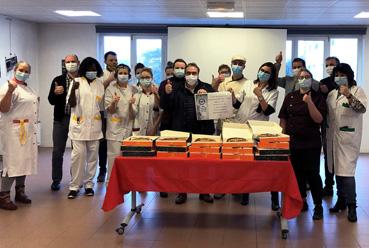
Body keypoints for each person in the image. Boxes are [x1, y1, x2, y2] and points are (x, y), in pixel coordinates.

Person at [161, 62, 215, 204]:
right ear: (185, 74)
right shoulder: (176, 88)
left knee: (203, 164)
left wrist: (207, 96)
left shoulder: (207, 87)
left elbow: (217, 108)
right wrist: (167, 94)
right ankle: (182, 192)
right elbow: (166, 107)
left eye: (194, 73)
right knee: (182, 164)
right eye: (188, 73)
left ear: (198, 73)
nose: (191, 75)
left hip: (203, 133)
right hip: (182, 131)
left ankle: (204, 192)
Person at [278, 68, 326, 220]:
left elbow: (318, 119)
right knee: (297, 174)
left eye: (307, 77)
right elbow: (283, 118)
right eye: (301, 77)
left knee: (313, 175)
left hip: (311, 142)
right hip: (293, 142)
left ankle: (318, 206)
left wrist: (309, 102)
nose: (304, 79)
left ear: (312, 79)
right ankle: (302, 201)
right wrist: (282, 138)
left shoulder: (318, 97)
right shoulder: (290, 96)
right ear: (297, 80)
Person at [230, 62, 279, 209]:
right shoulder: (249, 84)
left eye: (266, 72)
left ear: (271, 75)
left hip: (259, 130)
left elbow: (268, 111)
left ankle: (274, 198)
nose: (262, 73)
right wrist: (232, 96)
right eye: (261, 70)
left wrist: (260, 96)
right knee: (245, 163)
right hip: (242, 127)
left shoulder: (273, 91)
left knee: (268, 165)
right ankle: (245, 193)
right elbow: (237, 104)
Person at [326, 63, 367, 222]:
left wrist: (349, 95)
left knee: (347, 173)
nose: (339, 77)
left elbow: (361, 109)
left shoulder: (357, 90)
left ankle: (352, 206)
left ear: (349, 75)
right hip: (333, 138)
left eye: (342, 74)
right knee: (337, 169)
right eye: (337, 75)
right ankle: (341, 200)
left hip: (348, 139)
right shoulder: (331, 94)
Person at [0, 61, 38, 210]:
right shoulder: (8, 86)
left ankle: (20, 191)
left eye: (26, 70)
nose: (23, 72)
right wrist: (10, 91)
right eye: (20, 70)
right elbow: (3, 108)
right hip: (13, 132)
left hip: (26, 130)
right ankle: (3, 196)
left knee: (24, 161)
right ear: (15, 70)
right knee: (13, 163)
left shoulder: (27, 88)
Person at [66, 57, 105, 199]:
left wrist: (103, 128)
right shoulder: (76, 82)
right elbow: (70, 104)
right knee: (78, 157)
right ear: (83, 70)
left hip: (95, 126)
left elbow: (101, 107)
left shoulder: (100, 84)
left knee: (93, 157)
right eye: (89, 69)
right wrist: (73, 91)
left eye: (94, 70)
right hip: (79, 125)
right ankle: (74, 186)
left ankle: (89, 185)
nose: (91, 72)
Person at [48, 54, 80, 191]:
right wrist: (56, 93)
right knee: (57, 151)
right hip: (61, 120)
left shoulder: (83, 80)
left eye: (73, 61)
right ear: (64, 64)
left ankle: (76, 180)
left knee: (77, 152)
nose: (71, 64)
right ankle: (56, 180)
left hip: (78, 120)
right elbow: (51, 101)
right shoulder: (58, 80)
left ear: (78, 63)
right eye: (68, 62)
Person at [105, 64, 137, 184]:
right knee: (113, 158)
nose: (123, 75)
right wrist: (113, 102)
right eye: (120, 73)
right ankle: (111, 184)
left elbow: (134, 112)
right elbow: (110, 110)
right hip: (114, 129)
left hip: (129, 129)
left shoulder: (133, 89)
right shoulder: (110, 89)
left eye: (125, 73)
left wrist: (130, 104)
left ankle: (125, 183)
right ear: (116, 75)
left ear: (129, 75)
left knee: (127, 160)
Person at [320, 56, 340, 197]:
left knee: (341, 158)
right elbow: (321, 103)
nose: (329, 67)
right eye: (327, 65)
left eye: (332, 64)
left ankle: (342, 190)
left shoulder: (348, 82)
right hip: (327, 125)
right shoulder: (323, 83)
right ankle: (328, 185)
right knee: (328, 156)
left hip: (342, 126)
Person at [97, 51, 118, 183]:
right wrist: (109, 80)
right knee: (103, 142)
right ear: (105, 61)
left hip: (117, 113)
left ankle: (115, 169)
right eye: (111, 60)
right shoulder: (100, 75)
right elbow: (98, 91)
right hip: (103, 112)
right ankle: (102, 170)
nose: (114, 62)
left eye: (115, 60)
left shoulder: (121, 73)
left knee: (114, 142)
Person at [132, 68, 161, 136]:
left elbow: (160, 113)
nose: (145, 79)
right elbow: (133, 114)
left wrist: (154, 128)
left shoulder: (157, 94)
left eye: (147, 77)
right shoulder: (136, 96)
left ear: (152, 78)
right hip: (138, 132)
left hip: (153, 131)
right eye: (142, 78)